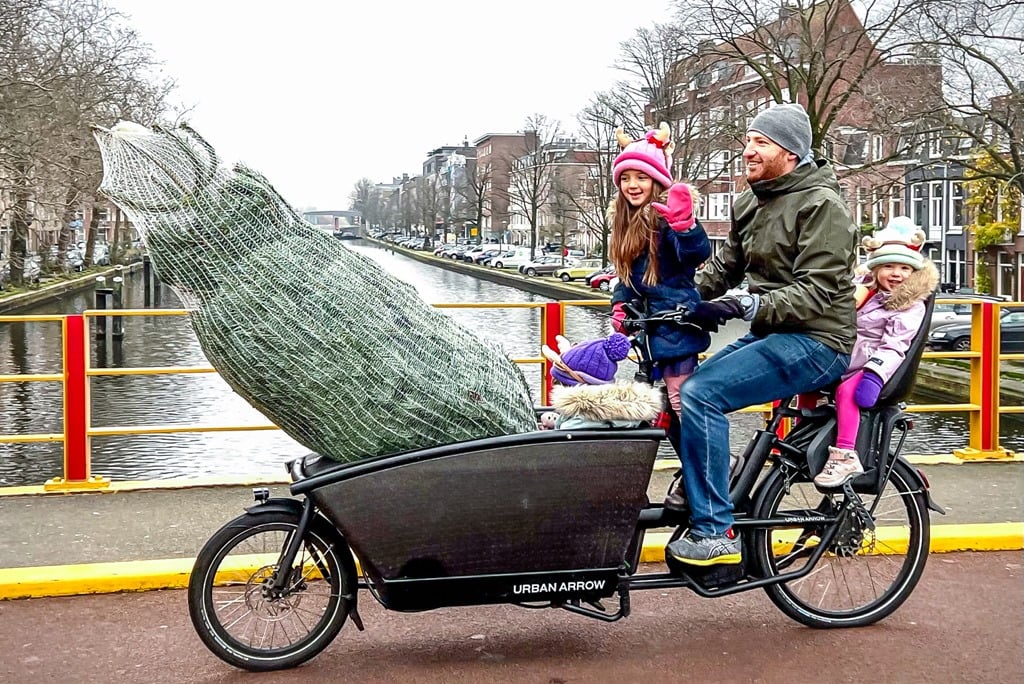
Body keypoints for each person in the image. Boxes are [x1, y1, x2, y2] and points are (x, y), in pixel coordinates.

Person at [665, 103, 858, 567]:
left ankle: (715, 532)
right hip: (775, 331)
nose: (747, 151)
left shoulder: (822, 207)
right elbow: (724, 267)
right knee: (673, 389)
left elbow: (815, 292)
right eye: (748, 140)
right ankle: (711, 481)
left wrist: (749, 304)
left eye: (760, 143)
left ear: (789, 153)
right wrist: (666, 299)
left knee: (701, 393)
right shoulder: (750, 199)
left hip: (819, 341)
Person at [813, 217, 937, 487]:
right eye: (888, 266)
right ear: (876, 269)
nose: (896, 273)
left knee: (847, 394)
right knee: (804, 379)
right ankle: (802, 435)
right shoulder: (867, 294)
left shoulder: (908, 306)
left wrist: (874, 374)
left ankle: (845, 454)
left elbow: (895, 345)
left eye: (904, 268)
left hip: (870, 365)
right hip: (846, 358)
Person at [607, 122, 712, 423]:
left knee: (681, 401)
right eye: (625, 178)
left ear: (656, 181)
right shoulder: (624, 224)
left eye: (642, 176)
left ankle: (708, 466)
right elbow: (626, 275)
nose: (632, 184)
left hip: (676, 323)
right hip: (648, 329)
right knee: (653, 408)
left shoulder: (665, 220)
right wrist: (619, 305)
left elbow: (693, 255)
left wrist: (686, 227)